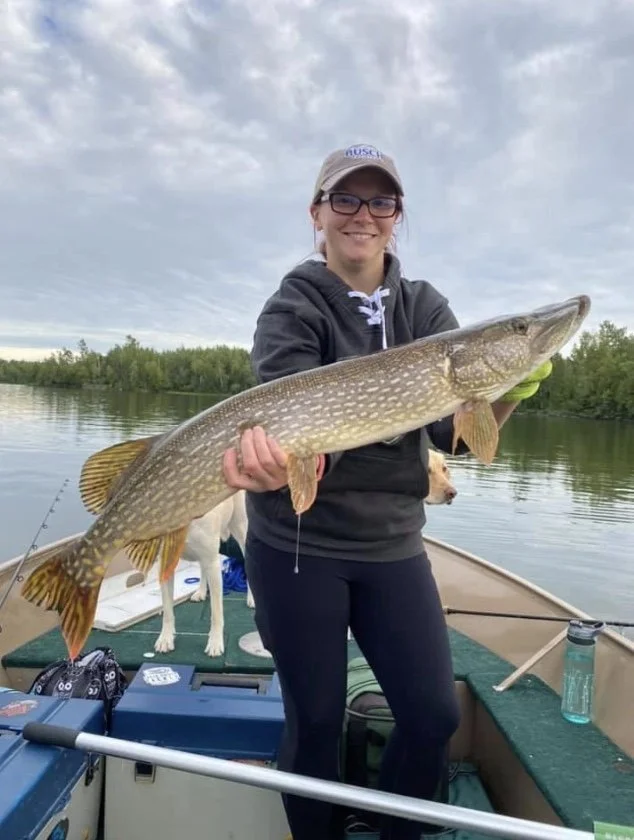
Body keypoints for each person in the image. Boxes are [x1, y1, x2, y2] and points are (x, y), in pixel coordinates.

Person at [222, 144, 552, 840]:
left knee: (433, 715)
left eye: (381, 202)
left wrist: (509, 389)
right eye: (345, 199)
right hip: (298, 546)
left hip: (391, 545)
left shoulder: (427, 307)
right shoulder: (292, 305)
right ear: (317, 214)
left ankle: (392, 832)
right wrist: (276, 466)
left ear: (397, 217)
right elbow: (290, 430)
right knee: (312, 723)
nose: (363, 215)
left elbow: (454, 438)